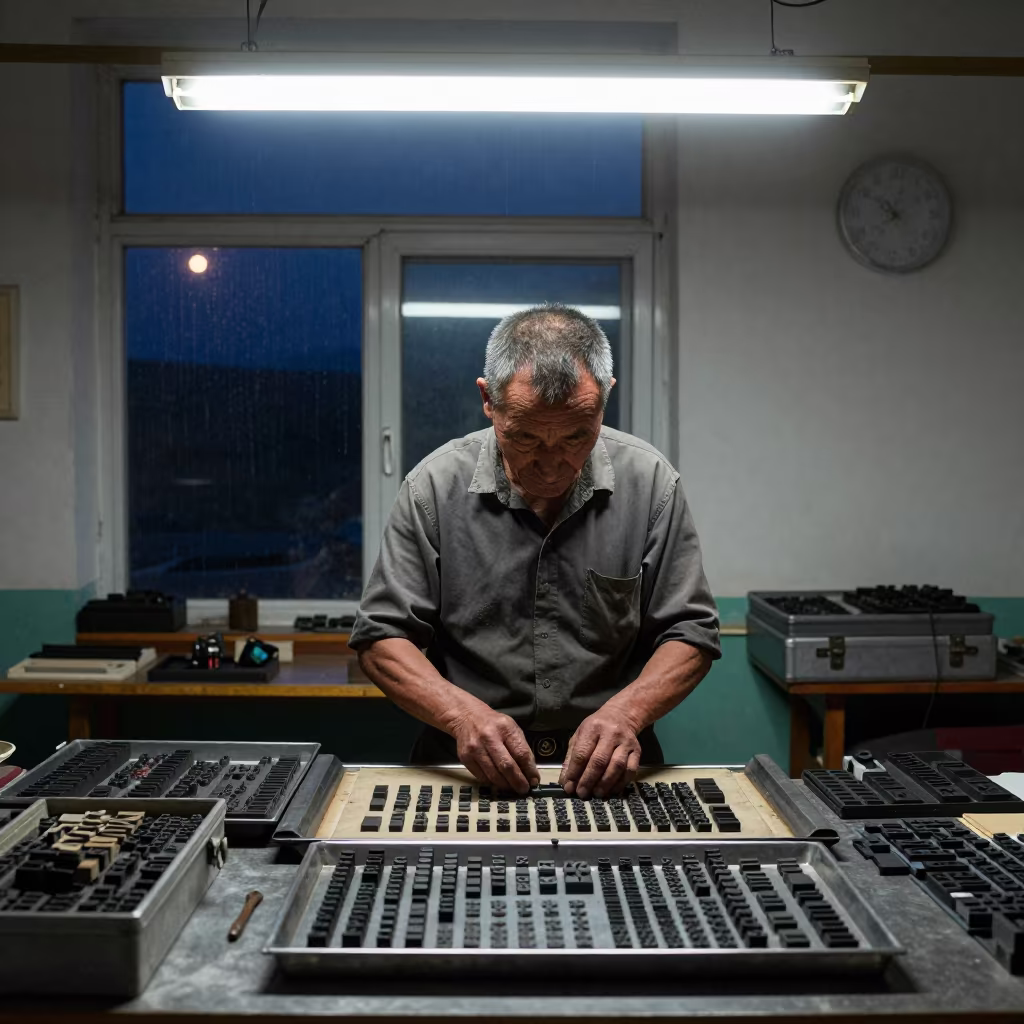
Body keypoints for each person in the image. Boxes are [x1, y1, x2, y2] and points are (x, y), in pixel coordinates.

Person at [350, 304, 720, 799]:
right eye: (525, 437)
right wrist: (461, 716)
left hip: (608, 772)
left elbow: (690, 633)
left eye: (576, 436)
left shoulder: (651, 484)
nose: (550, 465)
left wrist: (626, 714)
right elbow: (382, 638)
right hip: (465, 768)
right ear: (489, 399)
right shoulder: (433, 488)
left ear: (605, 398)